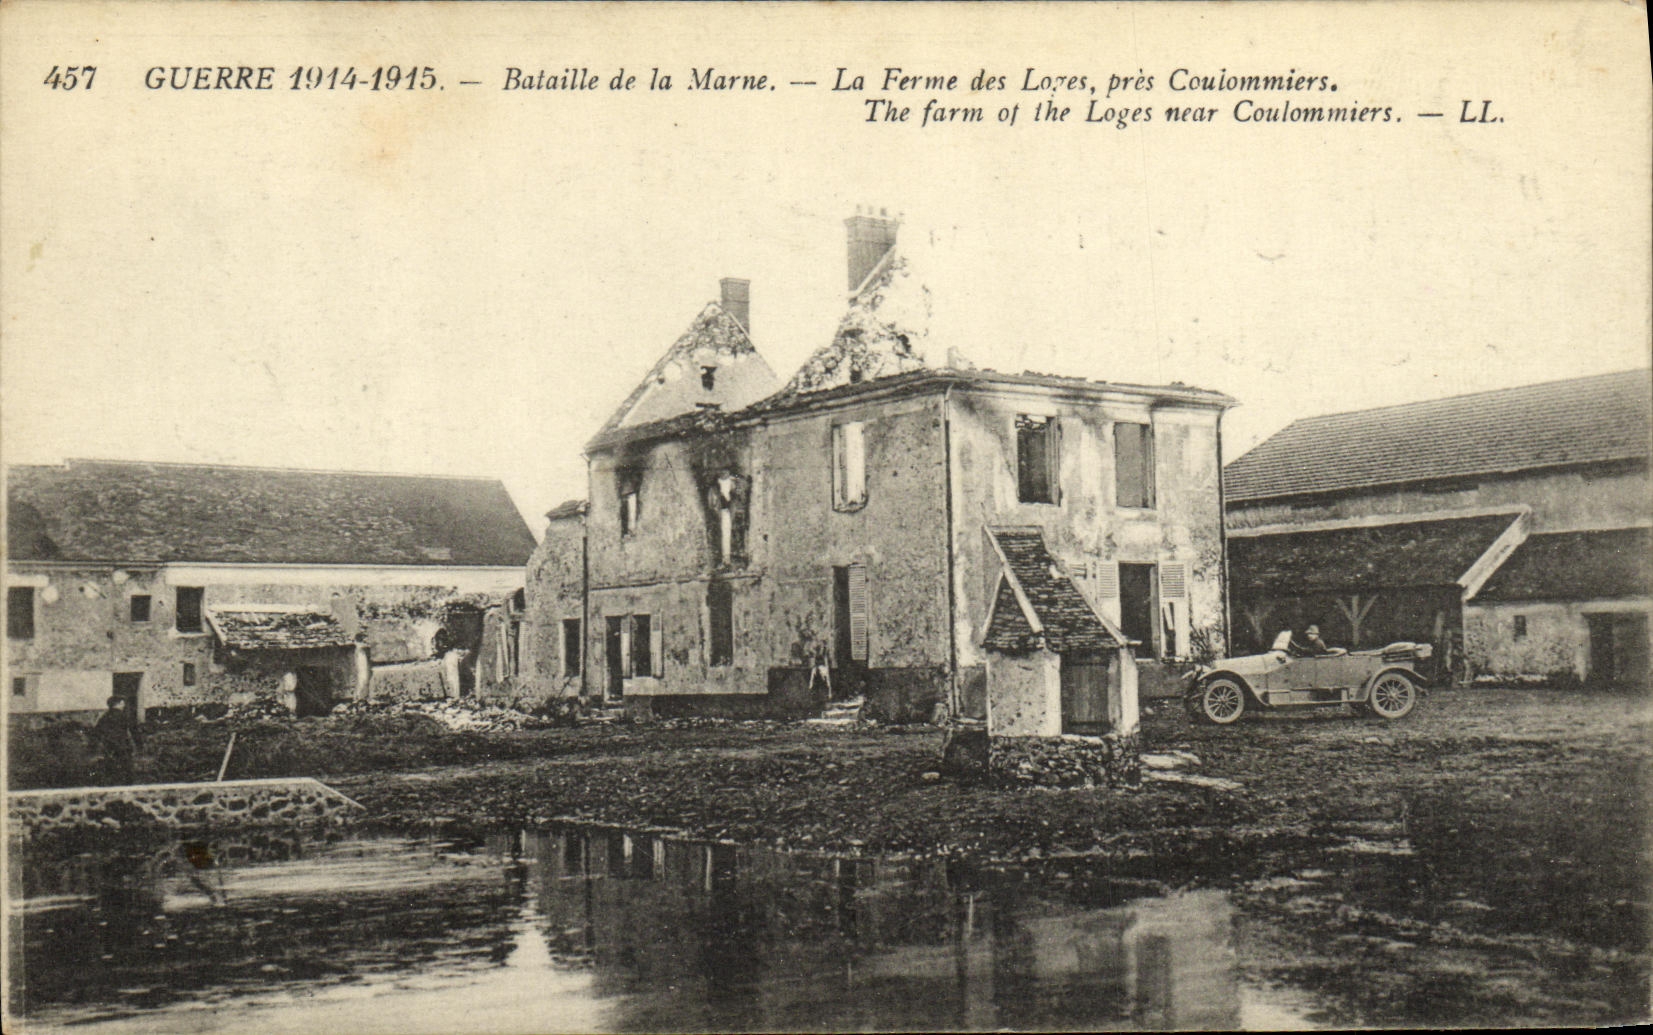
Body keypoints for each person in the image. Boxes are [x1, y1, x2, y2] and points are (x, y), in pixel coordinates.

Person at [91, 695, 141, 785]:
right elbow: (134, 730)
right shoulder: (124, 716)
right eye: (123, 703)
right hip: (123, 745)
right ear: (120, 703)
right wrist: (139, 744)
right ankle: (127, 784)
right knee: (126, 767)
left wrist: (96, 746)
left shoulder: (104, 717)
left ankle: (113, 784)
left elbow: (96, 732)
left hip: (109, 745)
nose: (124, 705)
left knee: (111, 766)